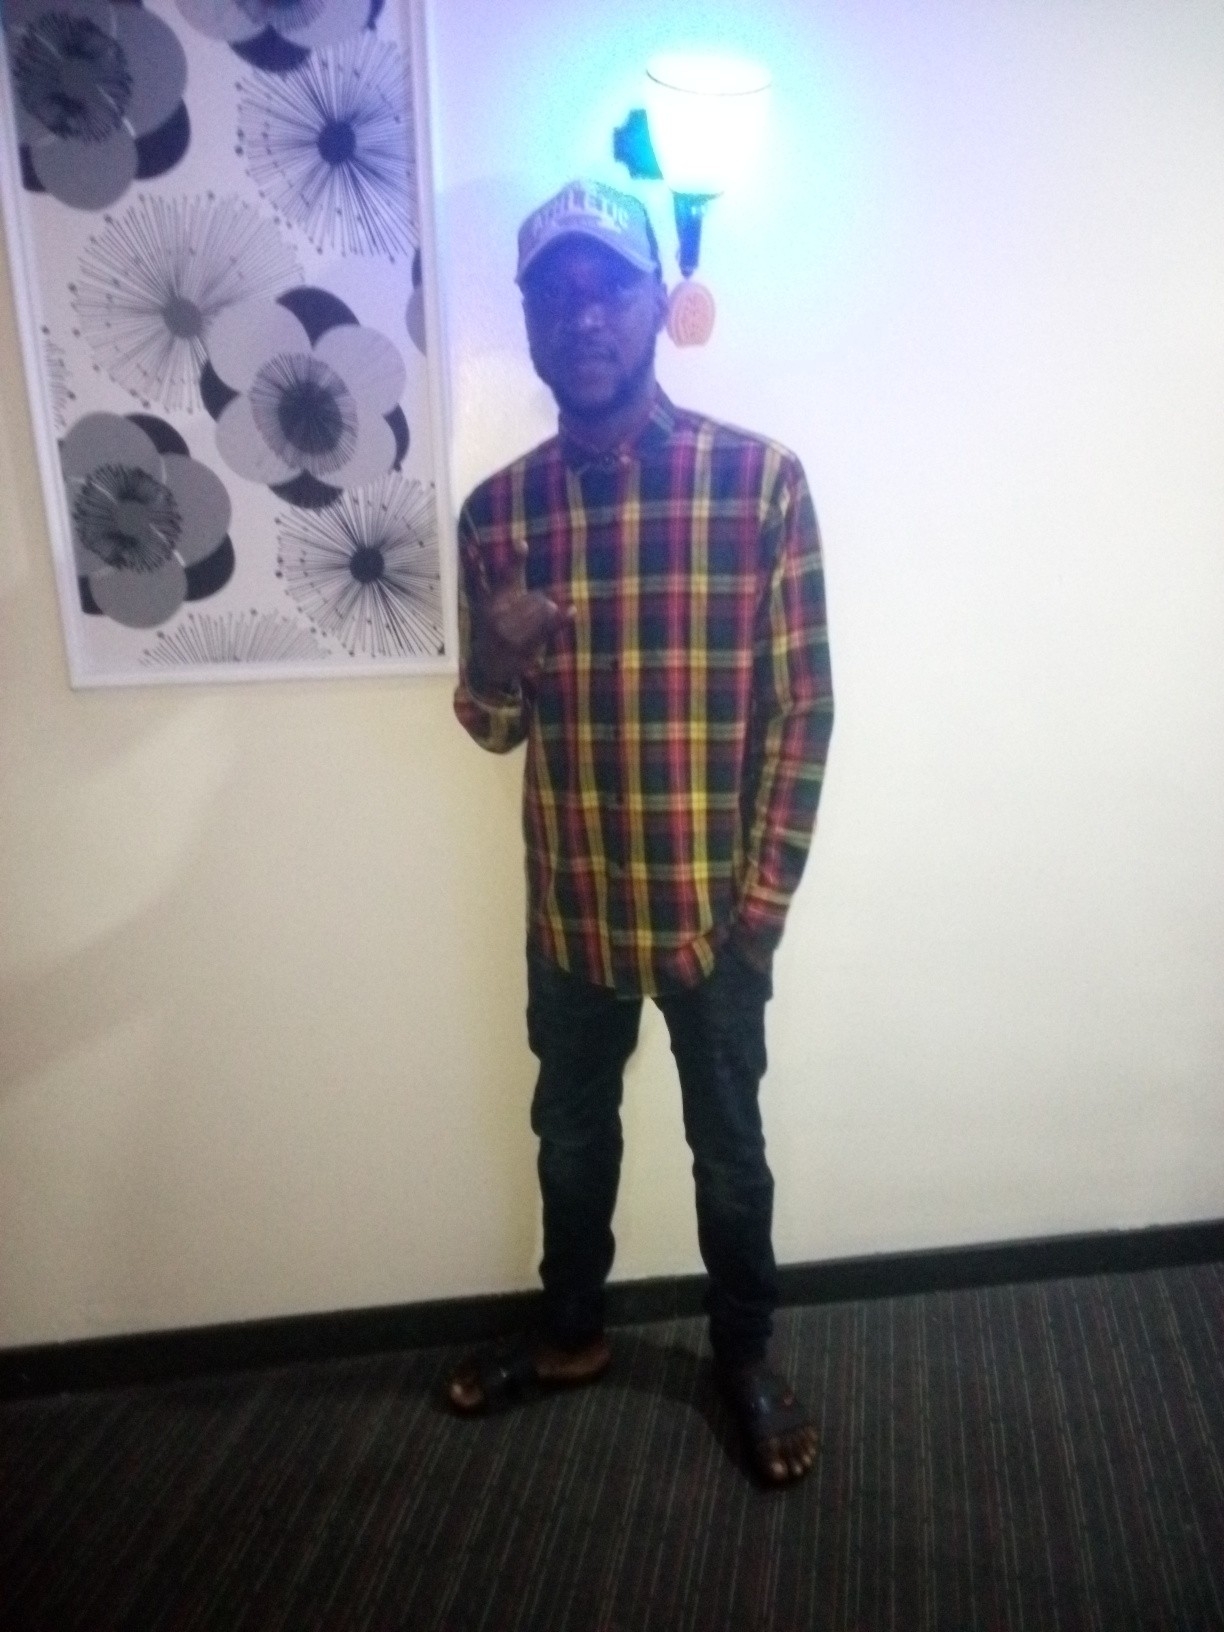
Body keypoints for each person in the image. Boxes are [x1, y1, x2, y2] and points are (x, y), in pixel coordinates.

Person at [448, 179, 834, 1486]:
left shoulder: (759, 484)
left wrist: (758, 915)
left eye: (609, 287)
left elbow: (803, 710)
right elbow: (492, 729)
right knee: (569, 1141)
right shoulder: (497, 517)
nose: (584, 316)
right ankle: (571, 1335)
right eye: (555, 295)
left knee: (729, 1155)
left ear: (657, 303)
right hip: (571, 913)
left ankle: (745, 1354)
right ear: (530, 323)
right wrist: (494, 666)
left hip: (713, 915)